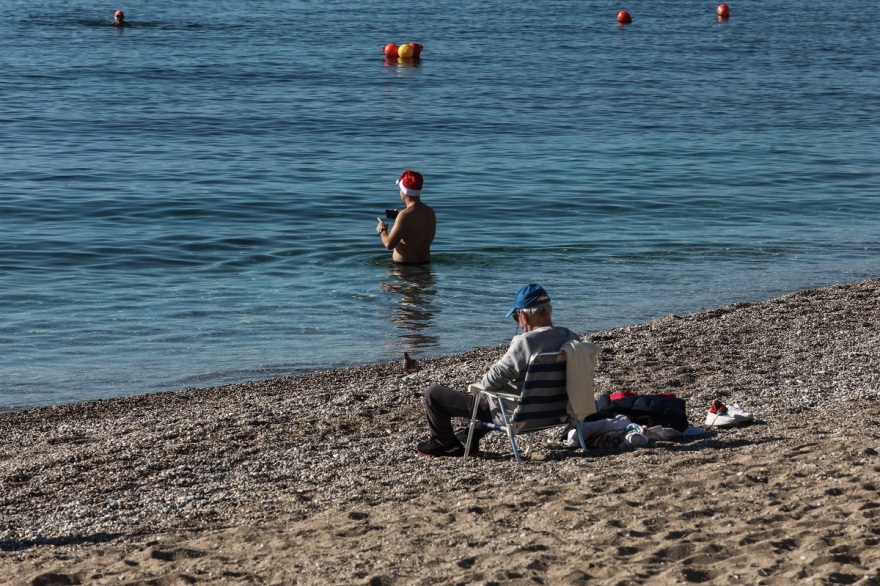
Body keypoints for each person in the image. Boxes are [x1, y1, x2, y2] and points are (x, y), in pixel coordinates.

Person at [417, 284, 580, 457]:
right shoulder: (570, 337)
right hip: (556, 412)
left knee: (433, 393)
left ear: (523, 315)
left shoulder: (525, 343)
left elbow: (488, 383)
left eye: (516, 317)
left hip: (517, 415)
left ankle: (444, 443)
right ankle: (468, 438)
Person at [375, 170, 436, 264]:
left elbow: (388, 244)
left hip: (404, 269)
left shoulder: (404, 215)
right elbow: (415, 235)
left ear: (404, 192)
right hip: (425, 264)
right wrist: (400, 220)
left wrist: (382, 230)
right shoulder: (430, 212)